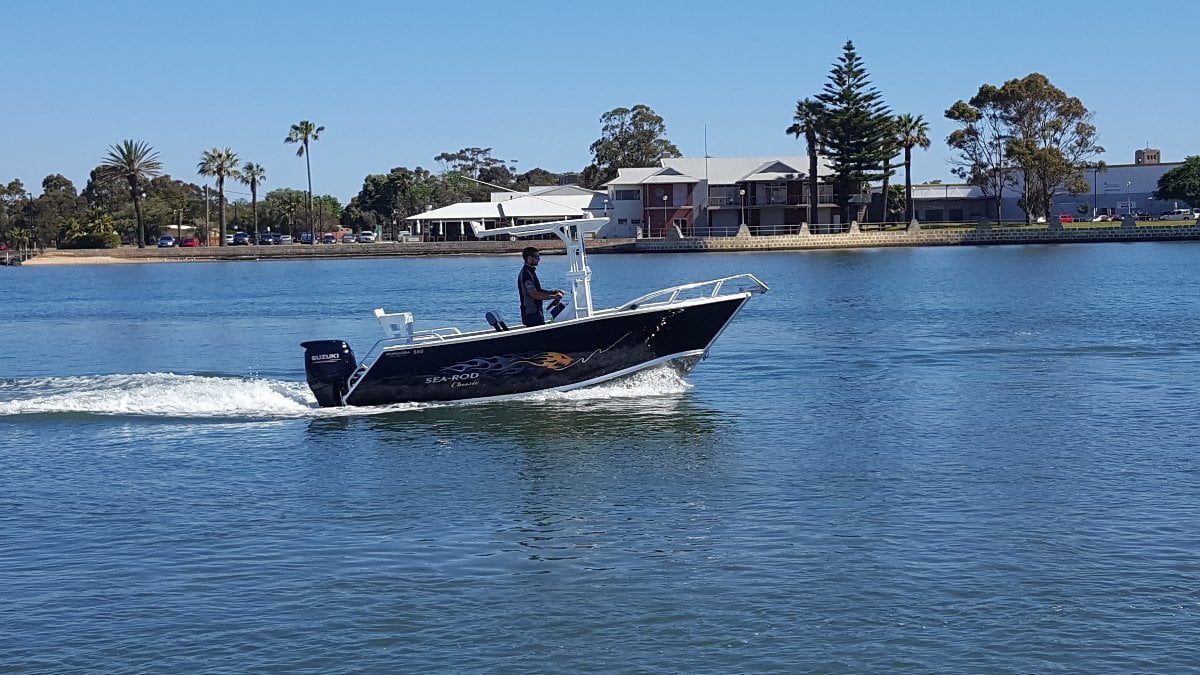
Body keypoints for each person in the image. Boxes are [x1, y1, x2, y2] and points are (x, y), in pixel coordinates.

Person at [518, 246, 563, 327]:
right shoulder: (526, 274)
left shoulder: (531, 272)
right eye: (537, 257)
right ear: (529, 258)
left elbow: (538, 290)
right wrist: (554, 297)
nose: (539, 259)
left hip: (536, 312)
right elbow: (534, 294)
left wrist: (553, 292)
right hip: (531, 314)